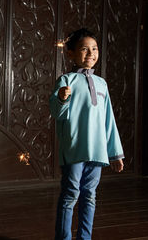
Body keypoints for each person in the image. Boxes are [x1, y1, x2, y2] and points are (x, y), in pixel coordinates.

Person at [49, 28, 124, 240]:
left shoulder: (102, 84)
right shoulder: (66, 80)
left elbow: (109, 120)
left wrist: (116, 154)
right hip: (74, 149)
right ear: (70, 53)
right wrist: (62, 98)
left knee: (89, 196)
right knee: (71, 194)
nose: (90, 53)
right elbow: (57, 113)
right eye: (84, 49)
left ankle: (85, 237)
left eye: (94, 49)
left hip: (97, 151)